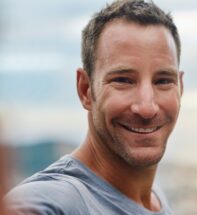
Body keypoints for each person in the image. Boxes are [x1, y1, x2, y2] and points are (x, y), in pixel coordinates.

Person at [6, 0, 183, 214]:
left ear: (180, 87)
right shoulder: (53, 201)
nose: (147, 108)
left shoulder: (153, 196)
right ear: (85, 89)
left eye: (163, 81)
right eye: (123, 80)